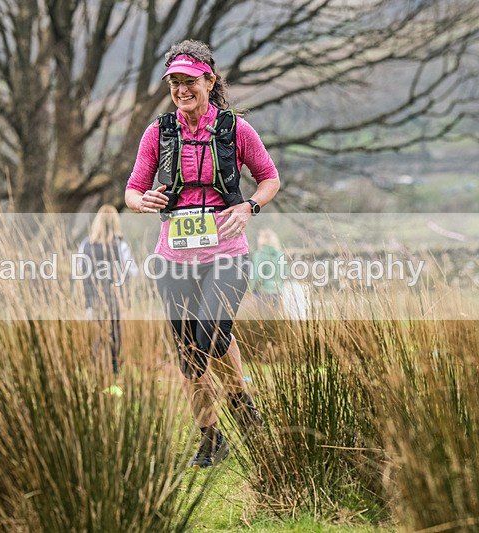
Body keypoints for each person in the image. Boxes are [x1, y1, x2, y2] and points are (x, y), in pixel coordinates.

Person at [124, 40, 280, 468]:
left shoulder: (235, 130)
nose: (181, 89)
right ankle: (211, 438)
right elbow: (132, 190)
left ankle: (241, 402)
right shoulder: (159, 132)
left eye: (189, 81)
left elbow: (269, 177)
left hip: (227, 253)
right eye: (174, 82)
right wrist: (144, 202)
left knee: (210, 335)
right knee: (189, 355)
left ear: (209, 80)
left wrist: (251, 207)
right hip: (173, 257)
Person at [78, 205, 138, 377]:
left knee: (96, 339)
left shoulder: (85, 245)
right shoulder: (120, 245)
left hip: (92, 304)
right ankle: (114, 376)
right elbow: (132, 271)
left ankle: (93, 376)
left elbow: (80, 272)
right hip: (114, 301)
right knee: (114, 339)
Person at [249, 228, 286, 307]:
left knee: (263, 318)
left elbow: (257, 277)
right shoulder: (280, 254)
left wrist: (252, 289)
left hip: (262, 293)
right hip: (278, 292)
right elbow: (285, 274)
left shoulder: (259, 254)